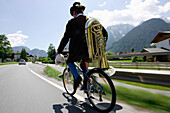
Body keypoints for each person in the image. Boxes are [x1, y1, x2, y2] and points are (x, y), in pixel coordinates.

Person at [56, 2, 89, 90]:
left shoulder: (72, 22)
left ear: (74, 12)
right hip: (89, 50)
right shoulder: (89, 20)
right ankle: (86, 86)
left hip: (77, 50)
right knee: (84, 64)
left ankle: (77, 77)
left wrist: (59, 50)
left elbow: (65, 38)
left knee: (69, 61)